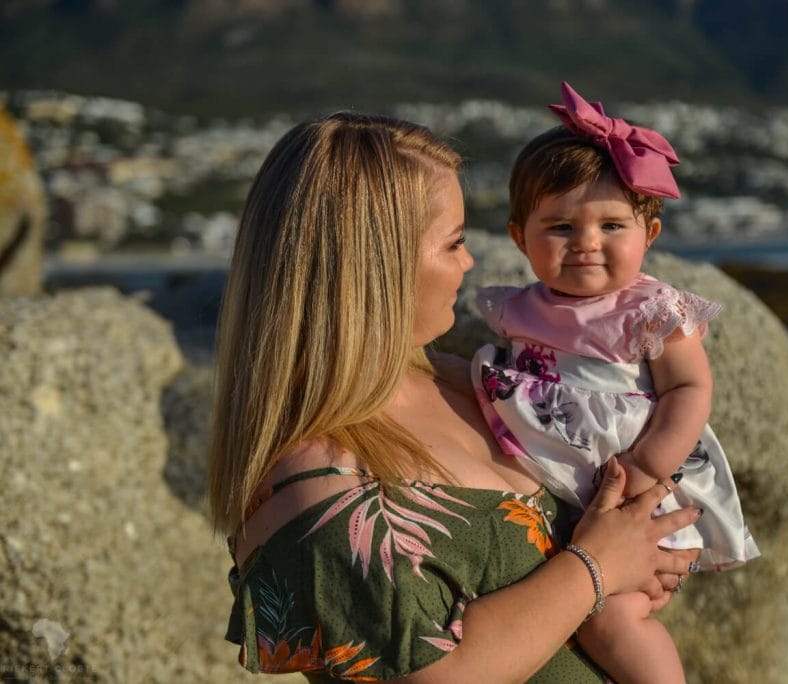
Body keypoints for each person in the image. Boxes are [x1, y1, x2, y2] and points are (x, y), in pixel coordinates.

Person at [207, 110, 703, 683]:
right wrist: (597, 567)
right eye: (454, 243)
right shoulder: (317, 491)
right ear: (377, 269)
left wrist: (646, 549)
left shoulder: (464, 381)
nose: (470, 261)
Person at [470, 82, 760, 683]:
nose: (586, 245)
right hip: (553, 474)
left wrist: (648, 469)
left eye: (610, 225)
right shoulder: (516, 306)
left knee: (612, 619)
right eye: (559, 228)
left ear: (648, 234)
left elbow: (688, 392)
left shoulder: (650, 310)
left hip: (633, 489)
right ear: (519, 236)